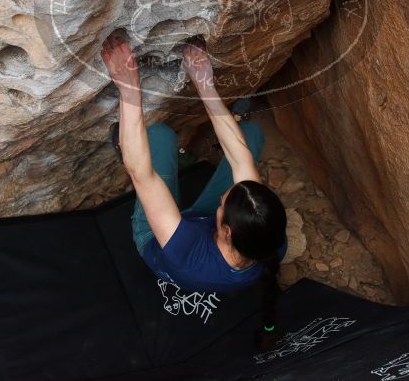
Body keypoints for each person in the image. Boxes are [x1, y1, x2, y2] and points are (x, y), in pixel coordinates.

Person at [100, 35, 287, 348]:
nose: (226, 195)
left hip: (157, 239)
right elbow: (240, 160)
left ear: (225, 230)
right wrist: (204, 82)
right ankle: (202, 152)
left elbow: (142, 174)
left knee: (158, 137)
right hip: (204, 229)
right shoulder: (269, 241)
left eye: (224, 200)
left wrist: (129, 87)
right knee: (249, 137)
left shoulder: (188, 254)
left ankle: (127, 141)